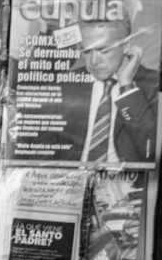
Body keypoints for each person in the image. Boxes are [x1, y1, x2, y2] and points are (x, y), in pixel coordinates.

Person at [64, 18, 159, 163]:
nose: (94, 61)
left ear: (126, 45)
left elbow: (152, 152)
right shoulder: (66, 84)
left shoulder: (153, 84)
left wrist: (126, 86)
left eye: (103, 50)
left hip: (127, 183)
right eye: (87, 51)